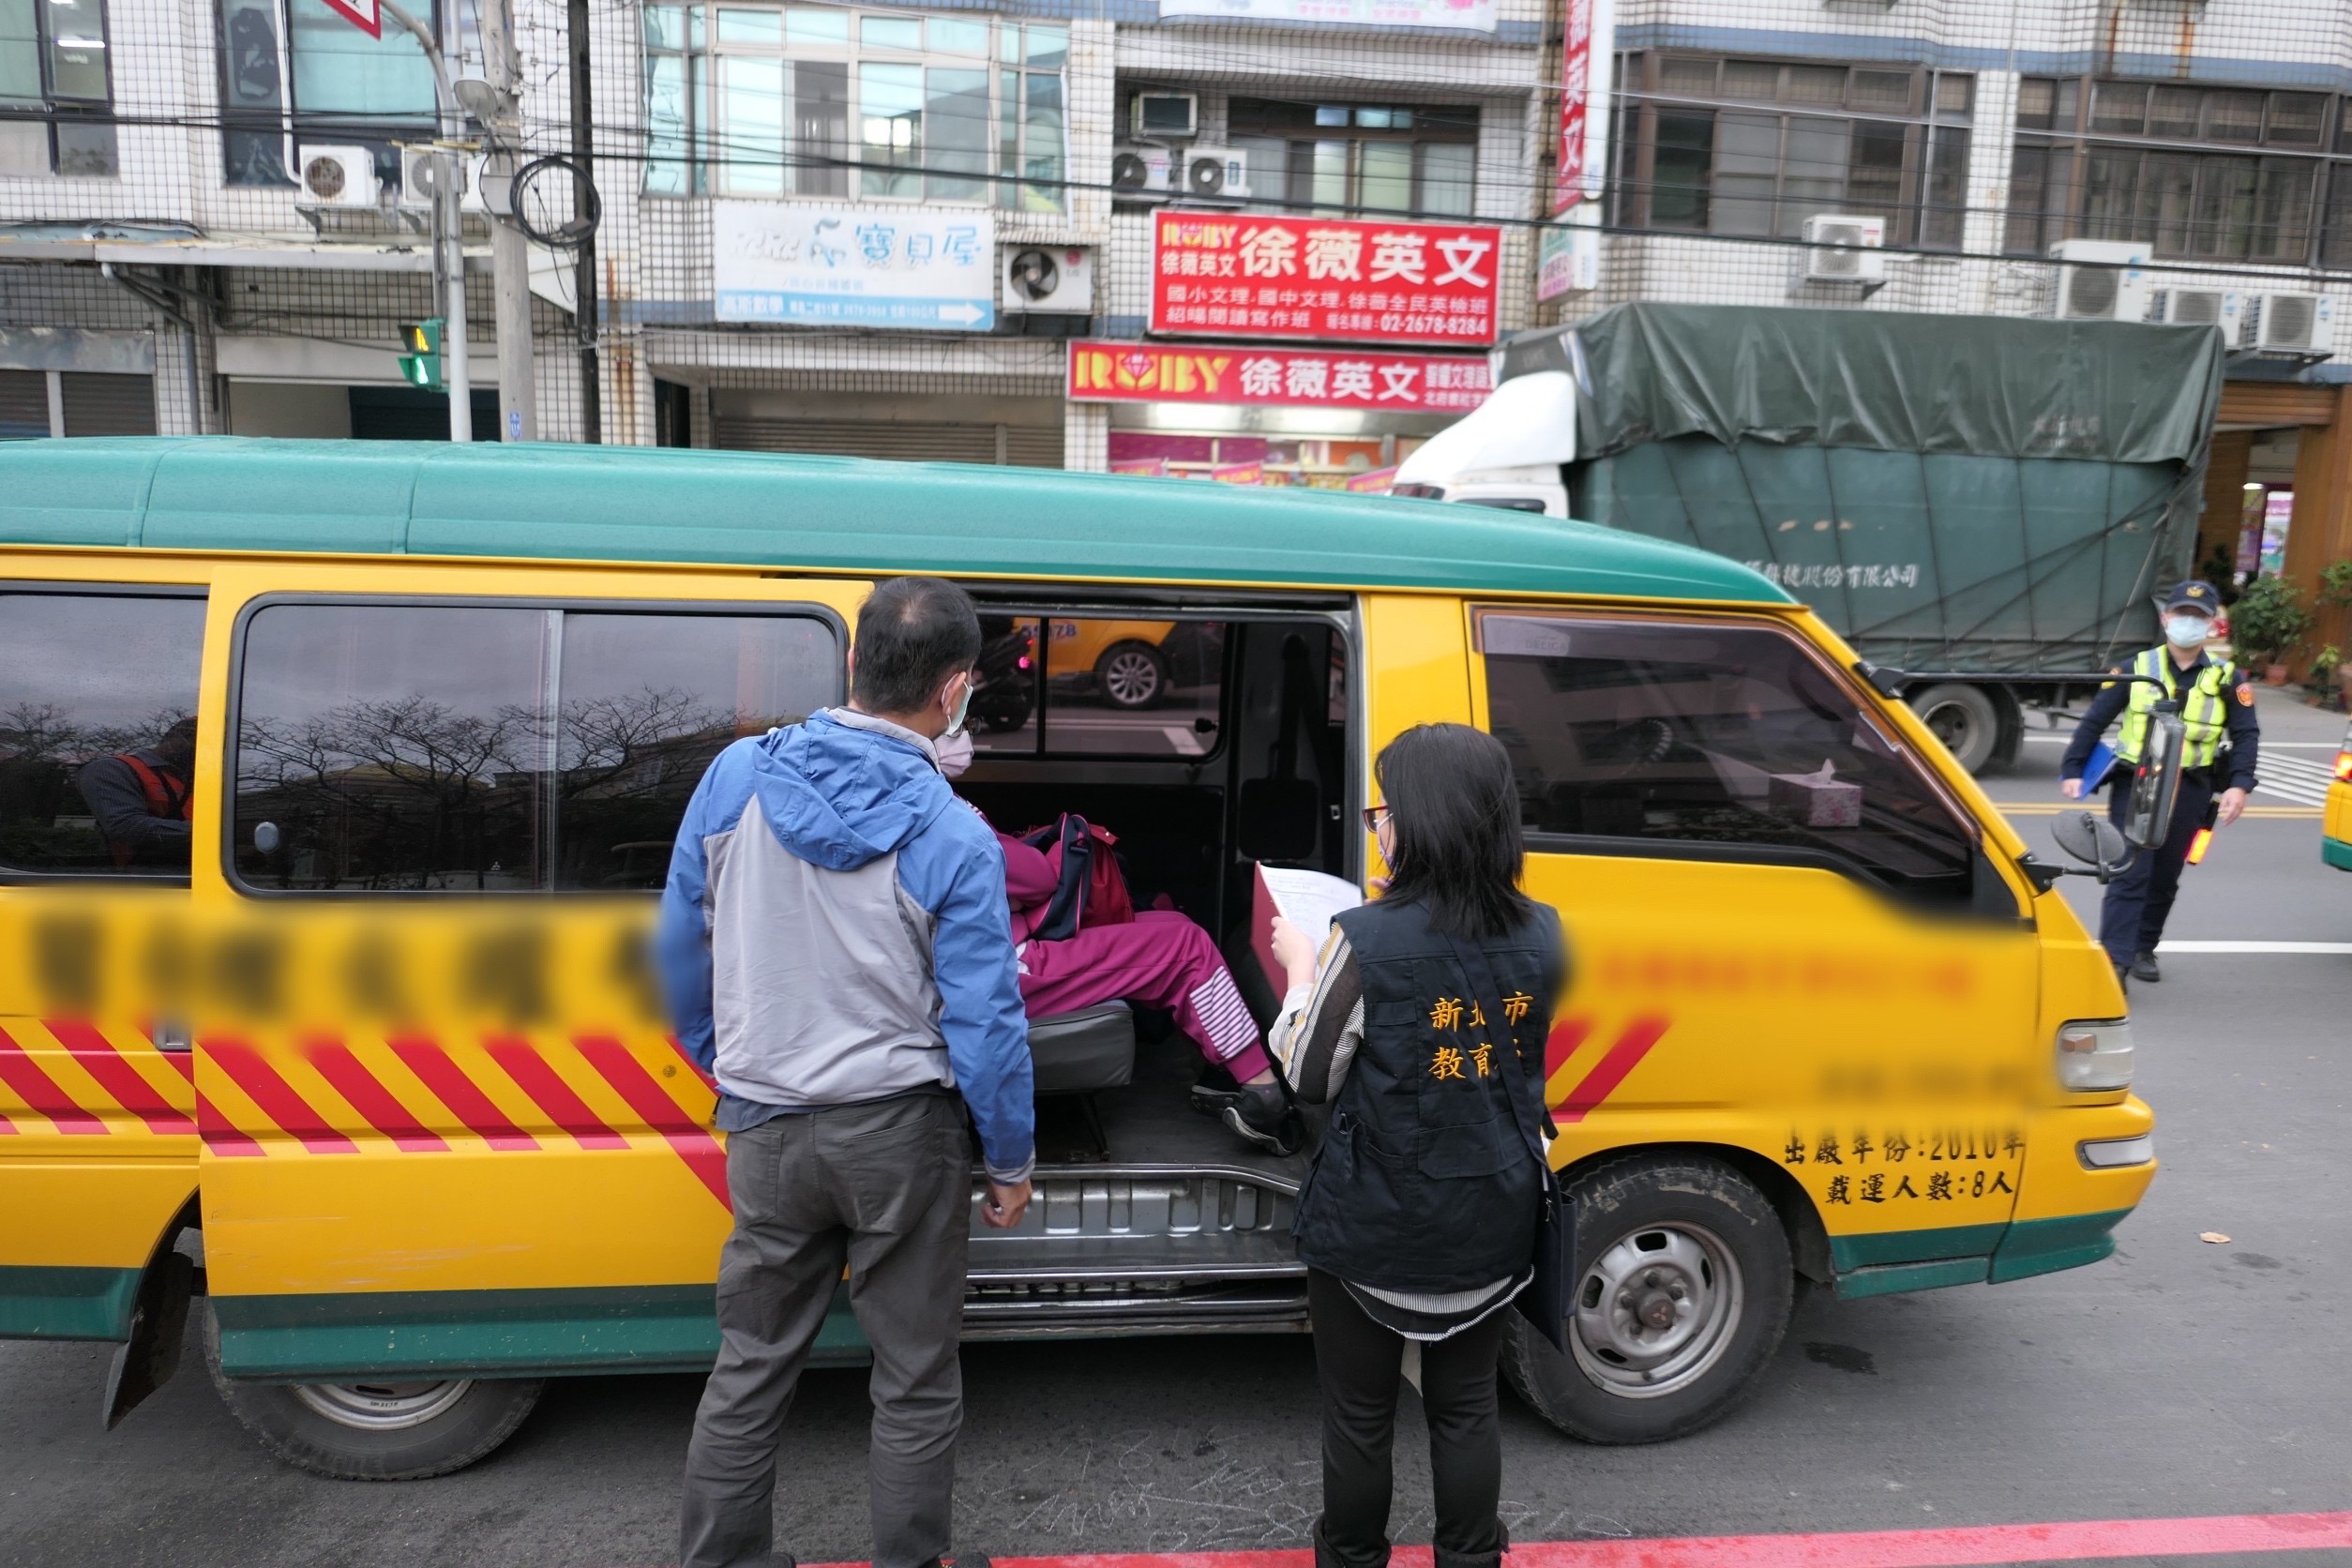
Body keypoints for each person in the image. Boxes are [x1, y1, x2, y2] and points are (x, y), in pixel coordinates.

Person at [659, 576, 1033, 1568]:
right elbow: (986, 1023)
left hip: (767, 1128)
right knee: (913, 1378)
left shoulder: (735, 777)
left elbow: (675, 959)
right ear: (955, 688)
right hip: (900, 1137)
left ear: (856, 660)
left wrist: (737, 1066)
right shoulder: (955, 833)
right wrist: (1009, 1162)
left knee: (749, 1365)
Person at [1267, 723, 1564, 1568]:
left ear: (1421, 823)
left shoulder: (1362, 939)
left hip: (1375, 1230)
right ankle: (1471, 1558)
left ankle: (1353, 1557)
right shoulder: (1545, 930)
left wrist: (1299, 969)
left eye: (1384, 810)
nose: (1378, 826)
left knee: (1360, 1418)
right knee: (1466, 1407)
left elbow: (1310, 1074)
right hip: (1492, 1217)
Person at [934, 729, 1294, 1153]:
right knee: (1184, 944)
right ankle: (1263, 1095)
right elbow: (1036, 877)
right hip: (1005, 968)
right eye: (954, 726)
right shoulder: (943, 809)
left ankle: (1225, 1064)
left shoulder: (905, 796)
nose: (965, 734)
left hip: (981, 958)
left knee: (1165, 924)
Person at [2060, 579, 2259, 985]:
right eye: (2182, 613)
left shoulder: (2226, 677)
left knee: (2166, 874)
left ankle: (2143, 947)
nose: (2189, 622)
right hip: (2138, 783)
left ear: (2211, 627)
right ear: (2166, 618)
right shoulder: (2136, 668)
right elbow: (2097, 718)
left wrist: (2239, 785)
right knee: (2129, 870)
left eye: (2199, 617)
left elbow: (2246, 733)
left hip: (2191, 786)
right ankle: (2115, 961)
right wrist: (2074, 768)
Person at [77, 715, 197, 868]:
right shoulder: (112, 769)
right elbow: (125, 826)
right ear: (170, 737)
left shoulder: (195, 780)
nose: (195, 747)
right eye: (190, 738)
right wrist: (214, 833)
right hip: (136, 881)